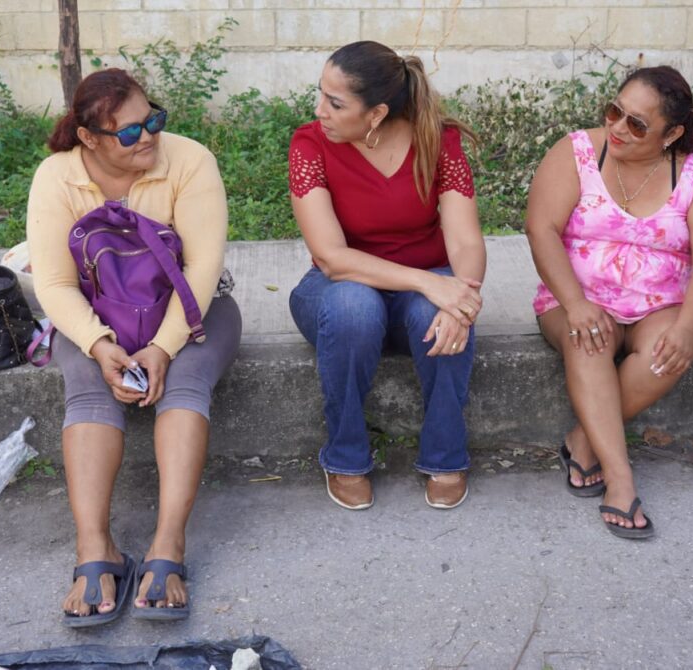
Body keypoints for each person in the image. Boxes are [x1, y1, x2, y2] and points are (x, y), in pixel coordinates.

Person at [27, 68, 241, 624]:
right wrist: (98, 344)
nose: (147, 136)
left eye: (152, 120)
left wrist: (165, 347)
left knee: (186, 384)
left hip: (192, 314)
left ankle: (168, 545)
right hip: (97, 318)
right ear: (89, 138)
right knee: (86, 386)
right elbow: (54, 283)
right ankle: (95, 548)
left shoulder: (189, 160)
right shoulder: (57, 177)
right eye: (127, 132)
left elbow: (201, 268)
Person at [525, 66, 693, 539]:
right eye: (614, 111)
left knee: (669, 350)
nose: (618, 127)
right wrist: (575, 303)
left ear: (672, 133)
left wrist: (689, 326)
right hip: (574, 299)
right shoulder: (578, 152)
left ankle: (584, 438)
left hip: (661, 304)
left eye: (637, 124)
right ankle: (620, 480)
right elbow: (540, 229)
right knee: (589, 339)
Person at [287, 41, 486, 511]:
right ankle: (346, 456)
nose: (320, 111)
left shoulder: (437, 140)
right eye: (321, 94)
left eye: (336, 103)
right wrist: (428, 281)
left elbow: (465, 242)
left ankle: (446, 454)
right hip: (339, 292)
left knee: (440, 314)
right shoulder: (310, 144)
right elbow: (332, 258)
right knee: (355, 306)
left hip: (420, 291)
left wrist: (462, 297)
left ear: (376, 113)